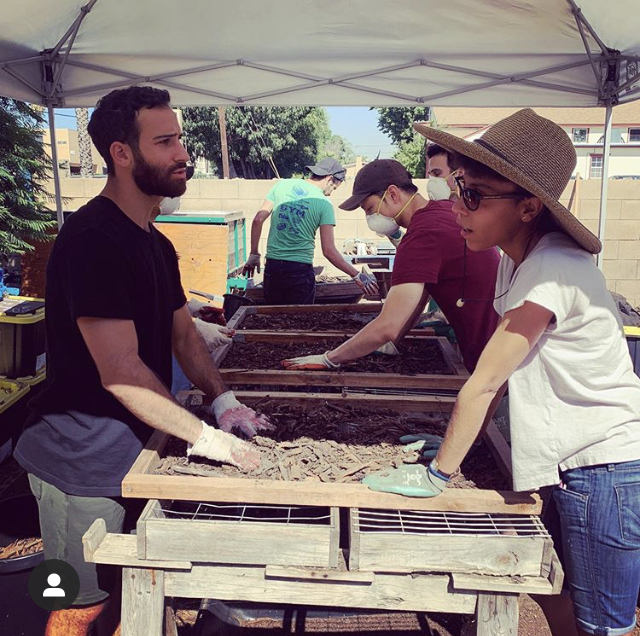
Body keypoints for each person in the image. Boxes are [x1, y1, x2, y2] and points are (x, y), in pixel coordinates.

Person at [363, 109, 640, 636]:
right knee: (554, 588)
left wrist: (438, 473)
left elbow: (486, 380)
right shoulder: (521, 257)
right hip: (575, 461)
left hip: (605, 470)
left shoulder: (550, 268)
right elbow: (502, 373)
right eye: (458, 186)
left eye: (474, 195)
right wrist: (452, 442)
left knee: (603, 625)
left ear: (529, 207)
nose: (457, 205)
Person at [14, 86, 271, 636]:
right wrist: (207, 439)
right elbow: (122, 372)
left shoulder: (155, 242)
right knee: (75, 602)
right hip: (78, 460)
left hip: (137, 451)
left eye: (179, 138)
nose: (183, 153)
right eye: (165, 142)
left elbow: (183, 334)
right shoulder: (92, 240)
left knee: (134, 590)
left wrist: (223, 402)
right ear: (121, 154)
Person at [282, 158, 500, 374]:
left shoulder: (422, 235)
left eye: (369, 208)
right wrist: (393, 341)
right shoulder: (441, 211)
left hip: (495, 362)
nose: (369, 217)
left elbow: (389, 323)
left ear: (393, 194)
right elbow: (419, 295)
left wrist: (329, 359)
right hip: (497, 347)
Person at [242, 158, 378, 304]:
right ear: (330, 179)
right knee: (301, 321)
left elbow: (258, 220)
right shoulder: (324, 204)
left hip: (273, 268)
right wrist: (357, 275)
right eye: (334, 188)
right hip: (299, 271)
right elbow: (328, 251)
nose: (330, 194)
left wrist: (254, 254)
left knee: (275, 318)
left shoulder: (281, 185)